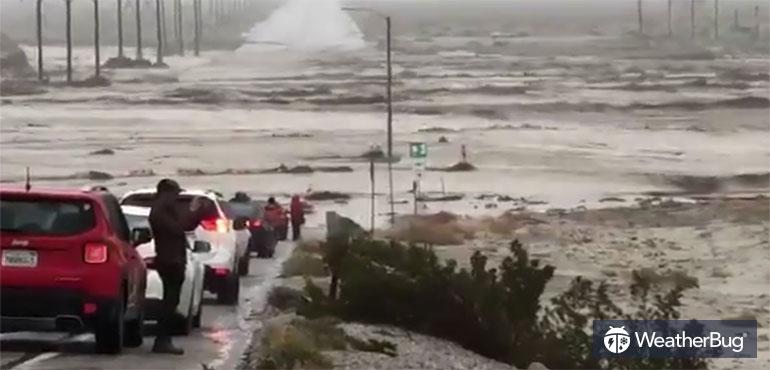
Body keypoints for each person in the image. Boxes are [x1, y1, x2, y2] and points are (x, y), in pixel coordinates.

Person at [148, 179, 208, 355]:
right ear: (166, 193)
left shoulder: (164, 209)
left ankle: (163, 340)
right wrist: (191, 211)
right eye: (174, 194)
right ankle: (162, 341)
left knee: (171, 301)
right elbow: (178, 228)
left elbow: (185, 226)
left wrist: (196, 212)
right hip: (170, 261)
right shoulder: (159, 211)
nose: (176, 198)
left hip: (173, 260)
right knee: (169, 302)